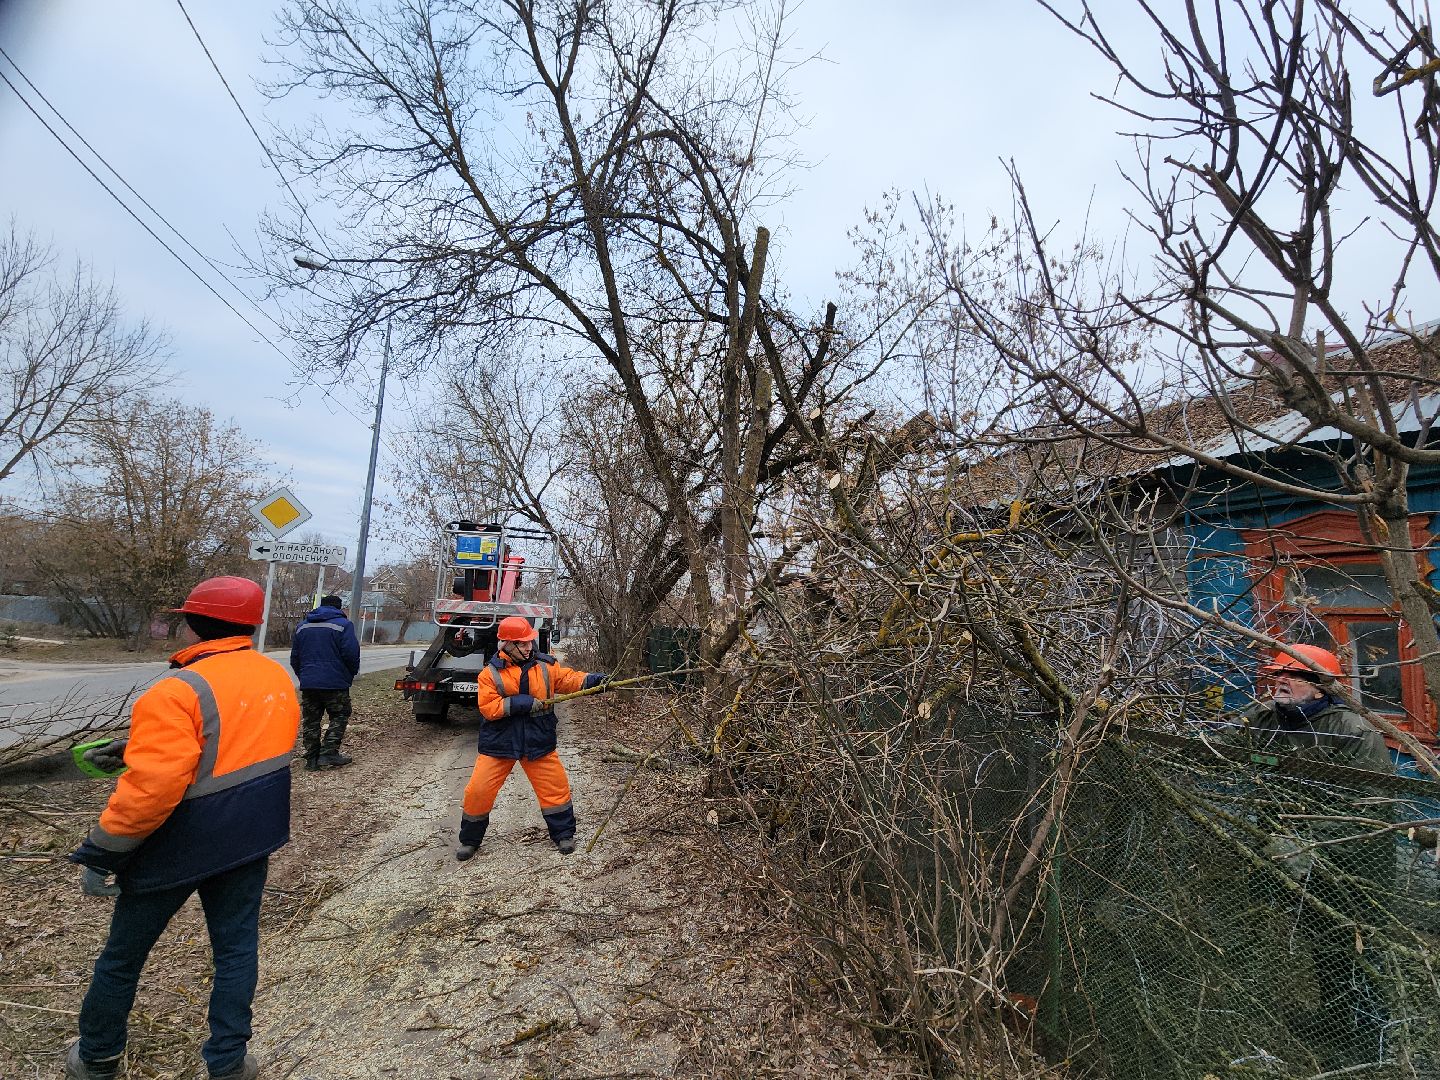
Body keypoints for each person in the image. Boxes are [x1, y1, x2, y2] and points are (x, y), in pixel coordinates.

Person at [66, 576, 301, 1080]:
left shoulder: (176, 690)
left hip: (177, 842)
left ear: (192, 623)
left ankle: (97, 1057)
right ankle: (229, 1063)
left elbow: (151, 792)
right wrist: (140, 745)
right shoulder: (276, 677)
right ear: (253, 624)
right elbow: (241, 744)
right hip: (249, 835)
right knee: (236, 950)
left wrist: (102, 852)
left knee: (123, 957)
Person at [456, 615, 607, 859]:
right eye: (523, 643)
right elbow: (489, 708)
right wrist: (520, 703)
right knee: (478, 791)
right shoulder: (489, 674)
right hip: (499, 742)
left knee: (555, 789)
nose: (529, 646)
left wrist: (593, 681)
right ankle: (469, 841)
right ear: (507, 645)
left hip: (538, 740)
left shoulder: (546, 666)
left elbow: (568, 679)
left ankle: (564, 835)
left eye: (529, 642)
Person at [1229, 643, 1392, 771]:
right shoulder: (1262, 713)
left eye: (1294, 676)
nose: (1281, 680)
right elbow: (1221, 745)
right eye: (1279, 673)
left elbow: (1371, 796)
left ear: (1320, 691)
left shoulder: (1353, 731)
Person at [289, 593, 361, 770]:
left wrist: (304, 676)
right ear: (339, 608)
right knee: (340, 715)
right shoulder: (344, 625)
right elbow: (351, 654)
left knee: (311, 720)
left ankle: (311, 759)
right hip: (335, 683)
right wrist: (349, 675)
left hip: (309, 682)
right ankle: (329, 752)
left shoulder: (302, 626)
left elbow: (295, 658)